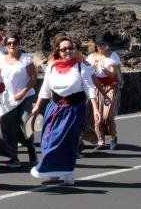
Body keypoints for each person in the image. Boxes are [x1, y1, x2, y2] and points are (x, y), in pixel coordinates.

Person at [30, 36, 99, 185]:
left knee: (67, 142)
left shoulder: (81, 67)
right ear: (58, 51)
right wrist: (37, 106)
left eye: (70, 48)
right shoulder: (52, 67)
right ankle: (52, 170)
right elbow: (45, 88)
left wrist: (95, 109)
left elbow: (89, 88)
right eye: (64, 49)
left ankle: (67, 172)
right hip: (53, 108)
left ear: (75, 50)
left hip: (73, 109)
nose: (67, 51)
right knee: (48, 141)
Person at [0, 33, 38, 168]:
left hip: (26, 96)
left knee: (25, 123)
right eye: (9, 43)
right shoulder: (1, 59)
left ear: (18, 44)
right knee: (8, 126)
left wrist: (23, 92)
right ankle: (13, 156)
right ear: (5, 45)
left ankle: (32, 151)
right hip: (9, 98)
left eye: (15, 43)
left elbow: (34, 78)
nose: (12, 45)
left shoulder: (25, 59)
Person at [86, 34, 122, 150]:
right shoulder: (91, 57)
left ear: (108, 45)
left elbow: (112, 74)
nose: (101, 47)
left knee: (107, 115)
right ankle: (100, 141)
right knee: (97, 116)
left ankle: (113, 137)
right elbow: (86, 70)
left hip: (111, 87)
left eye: (103, 44)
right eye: (99, 44)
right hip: (96, 87)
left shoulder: (112, 56)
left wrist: (103, 69)